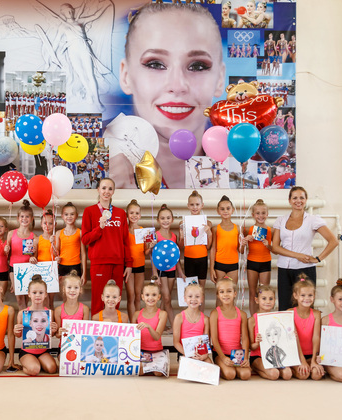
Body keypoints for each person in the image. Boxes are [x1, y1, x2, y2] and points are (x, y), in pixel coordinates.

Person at [112, 2, 225, 188]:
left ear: (220, 79)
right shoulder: (95, 163)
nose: (177, 86)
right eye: (155, 64)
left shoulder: (247, 165)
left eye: (197, 66)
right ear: (126, 76)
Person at [272, 186, 339, 310]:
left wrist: (318, 258)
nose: (298, 201)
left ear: (306, 200)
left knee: (306, 306)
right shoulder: (281, 220)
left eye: (301, 198)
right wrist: (298, 255)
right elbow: (275, 248)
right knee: (285, 307)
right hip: (284, 270)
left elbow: (333, 241)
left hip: (305, 269)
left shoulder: (313, 220)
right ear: (289, 200)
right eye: (295, 198)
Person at [81, 178, 132, 314]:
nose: (106, 191)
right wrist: (99, 228)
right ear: (98, 189)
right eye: (103, 188)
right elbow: (85, 239)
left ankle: (112, 327)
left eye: (110, 189)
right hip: (99, 262)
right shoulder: (89, 211)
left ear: (113, 191)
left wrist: (129, 264)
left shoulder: (120, 213)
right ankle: (97, 328)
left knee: (114, 302)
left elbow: (125, 240)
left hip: (118, 263)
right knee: (98, 302)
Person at [14, 276, 58, 376]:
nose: (37, 295)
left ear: (45, 294)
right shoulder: (22, 313)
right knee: (34, 370)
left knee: (52, 369)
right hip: (27, 351)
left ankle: (37, 362)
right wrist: (16, 330)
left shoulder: (50, 313)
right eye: (34, 292)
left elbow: (51, 334)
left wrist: (54, 330)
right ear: (29, 294)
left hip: (43, 350)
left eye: (41, 292)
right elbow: (19, 335)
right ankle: (29, 364)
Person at [209, 277, 251, 380]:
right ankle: (222, 366)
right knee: (230, 374)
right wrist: (223, 357)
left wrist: (245, 357)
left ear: (235, 293)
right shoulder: (215, 313)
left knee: (245, 374)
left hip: (237, 354)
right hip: (220, 353)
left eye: (229, 291)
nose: (225, 294)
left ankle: (235, 367)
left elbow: (245, 338)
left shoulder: (242, 314)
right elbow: (214, 339)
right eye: (222, 292)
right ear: (218, 295)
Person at [248, 285, 292, 380]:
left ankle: (270, 368)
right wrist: (257, 342)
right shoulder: (252, 320)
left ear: (275, 300)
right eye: (264, 298)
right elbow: (251, 347)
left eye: (271, 299)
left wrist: (291, 336)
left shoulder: (278, 319)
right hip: (257, 356)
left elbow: (283, 341)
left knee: (287, 374)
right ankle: (257, 368)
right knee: (274, 374)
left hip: (276, 356)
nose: (268, 302)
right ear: (257, 300)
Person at [151, 204, 184, 329]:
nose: (165, 221)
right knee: (167, 298)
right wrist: (155, 275)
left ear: (172, 219)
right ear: (158, 220)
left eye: (168, 218)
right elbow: (152, 256)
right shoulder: (156, 235)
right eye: (162, 218)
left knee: (166, 299)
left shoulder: (174, 236)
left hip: (172, 271)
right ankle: (175, 327)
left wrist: (180, 272)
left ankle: (160, 324)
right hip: (161, 271)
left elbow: (176, 257)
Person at [180, 191, 212, 308]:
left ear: (202, 205)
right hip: (189, 259)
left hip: (202, 258)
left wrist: (209, 234)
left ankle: (201, 316)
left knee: (201, 291)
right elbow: (181, 247)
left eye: (197, 204)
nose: (195, 207)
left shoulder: (207, 223)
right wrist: (182, 237)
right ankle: (191, 317)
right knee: (190, 291)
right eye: (192, 204)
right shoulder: (183, 223)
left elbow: (208, 246)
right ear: (188, 206)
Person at [289, 276, 324, 380]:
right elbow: (295, 338)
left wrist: (313, 360)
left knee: (317, 375)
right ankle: (291, 368)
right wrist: (302, 361)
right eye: (303, 295)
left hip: (310, 355)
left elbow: (316, 337)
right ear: (295, 295)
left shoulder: (316, 314)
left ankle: (309, 364)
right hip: (296, 354)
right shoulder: (290, 312)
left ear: (314, 296)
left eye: (310, 295)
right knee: (303, 375)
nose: (307, 298)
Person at [240, 199, 272, 315]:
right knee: (253, 293)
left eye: (263, 213)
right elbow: (241, 251)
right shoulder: (249, 230)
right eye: (258, 213)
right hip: (252, 263)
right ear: (253, 215)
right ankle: (253, 319)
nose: (260, 216)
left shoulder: (269, 230)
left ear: (267, 214)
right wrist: (244, 242)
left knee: (264, 293)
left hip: (265, 263)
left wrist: (268, 245)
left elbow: (274, 249)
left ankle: (263, 318)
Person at [5, 200, 37, 310]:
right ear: (18, 218)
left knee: (27, 298)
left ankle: (25, 318)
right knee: (19, 299)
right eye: (22, 216)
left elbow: (35, 256)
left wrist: (33, 257)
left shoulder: (34, 236)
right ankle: (22, 319)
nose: (24, 219)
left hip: (28, 268)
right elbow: (6, 255)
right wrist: (6, 250)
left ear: (31, 219)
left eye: (27, 217)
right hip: (14, 268)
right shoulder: (11, 233)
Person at [133, 282, 167, 376]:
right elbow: (133, 337)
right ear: (142, 297)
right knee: (139, 372)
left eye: (154, 295)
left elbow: (157, 337)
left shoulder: (162, 314)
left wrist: (148, 326)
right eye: (147, 295)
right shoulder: (136, 314)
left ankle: (152, 364)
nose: (150, 298)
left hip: (156, 351)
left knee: (158, 373)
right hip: (142, 351)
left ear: (159, 297)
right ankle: (149, 364)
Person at [173, 284, 211, 362]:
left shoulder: (205, 319)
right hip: (184, 352)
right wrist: (188, 354)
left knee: (209, 364)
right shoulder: (179, 317)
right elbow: (176, 342)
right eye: (190, 296)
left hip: (200, 353)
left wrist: (204, 355)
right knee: (190, 366)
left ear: (202, 299)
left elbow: (206, 342)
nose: (193, 299)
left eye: (197, 296)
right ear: (185, 298)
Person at [210, 196, 241, 287]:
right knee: (220, 293)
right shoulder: (215, 229)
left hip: (233, 265)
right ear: (218, 211)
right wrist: (211, 268)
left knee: (231, 292)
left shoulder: (238, 228)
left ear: (232, 210)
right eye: (222, 209)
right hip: (219, 265)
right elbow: (213, 249)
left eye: (228, 208)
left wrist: (243, 244)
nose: (225, 211)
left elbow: (241, 250)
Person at [126, 199, 149, 320]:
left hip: (140, 266)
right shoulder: (124, 230)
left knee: (138, 296)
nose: (134, 215)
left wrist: (150, 246)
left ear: (140, 215)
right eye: (131, 213)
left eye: (137, 213)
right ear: (127, 214)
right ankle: (131, 323)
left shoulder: (142, 230)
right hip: (128, 267)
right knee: (131, 296)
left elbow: (145, 252)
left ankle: (137, 323)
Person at [56, 202, 87, 286]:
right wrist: (52, 244)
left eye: (72, 214)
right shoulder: (58, 233)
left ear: (76, 215)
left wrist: (84, 273)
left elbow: (83, 254)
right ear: (62, 216)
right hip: (62, 266)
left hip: (75, 266)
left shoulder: (80, 232)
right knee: (64, 291)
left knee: (74, 291)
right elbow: (56, 252)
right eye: (66, 214)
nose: (69, 216)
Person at [35, 210, 59, 308]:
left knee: (51, 300)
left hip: (52, 272)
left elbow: (57, 255)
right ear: (41, 224)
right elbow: (34, 257)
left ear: (55, 225)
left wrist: (53, 244)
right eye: (45, 223)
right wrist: (32, 259)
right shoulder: (37, 239)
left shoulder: (57, 239)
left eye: (50, 223)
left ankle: (52, 317)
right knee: (43, 300)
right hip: (41, 272)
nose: (47, 226)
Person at [55, 270, 90, 336]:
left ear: (80, 290)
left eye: (76, 287)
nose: (72, 290)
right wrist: (59, 333)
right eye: (69, 287)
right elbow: (57, 335)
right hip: (64, 342)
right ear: (64, 289)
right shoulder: (58, 310)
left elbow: (85, 332)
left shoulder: (85, 309)